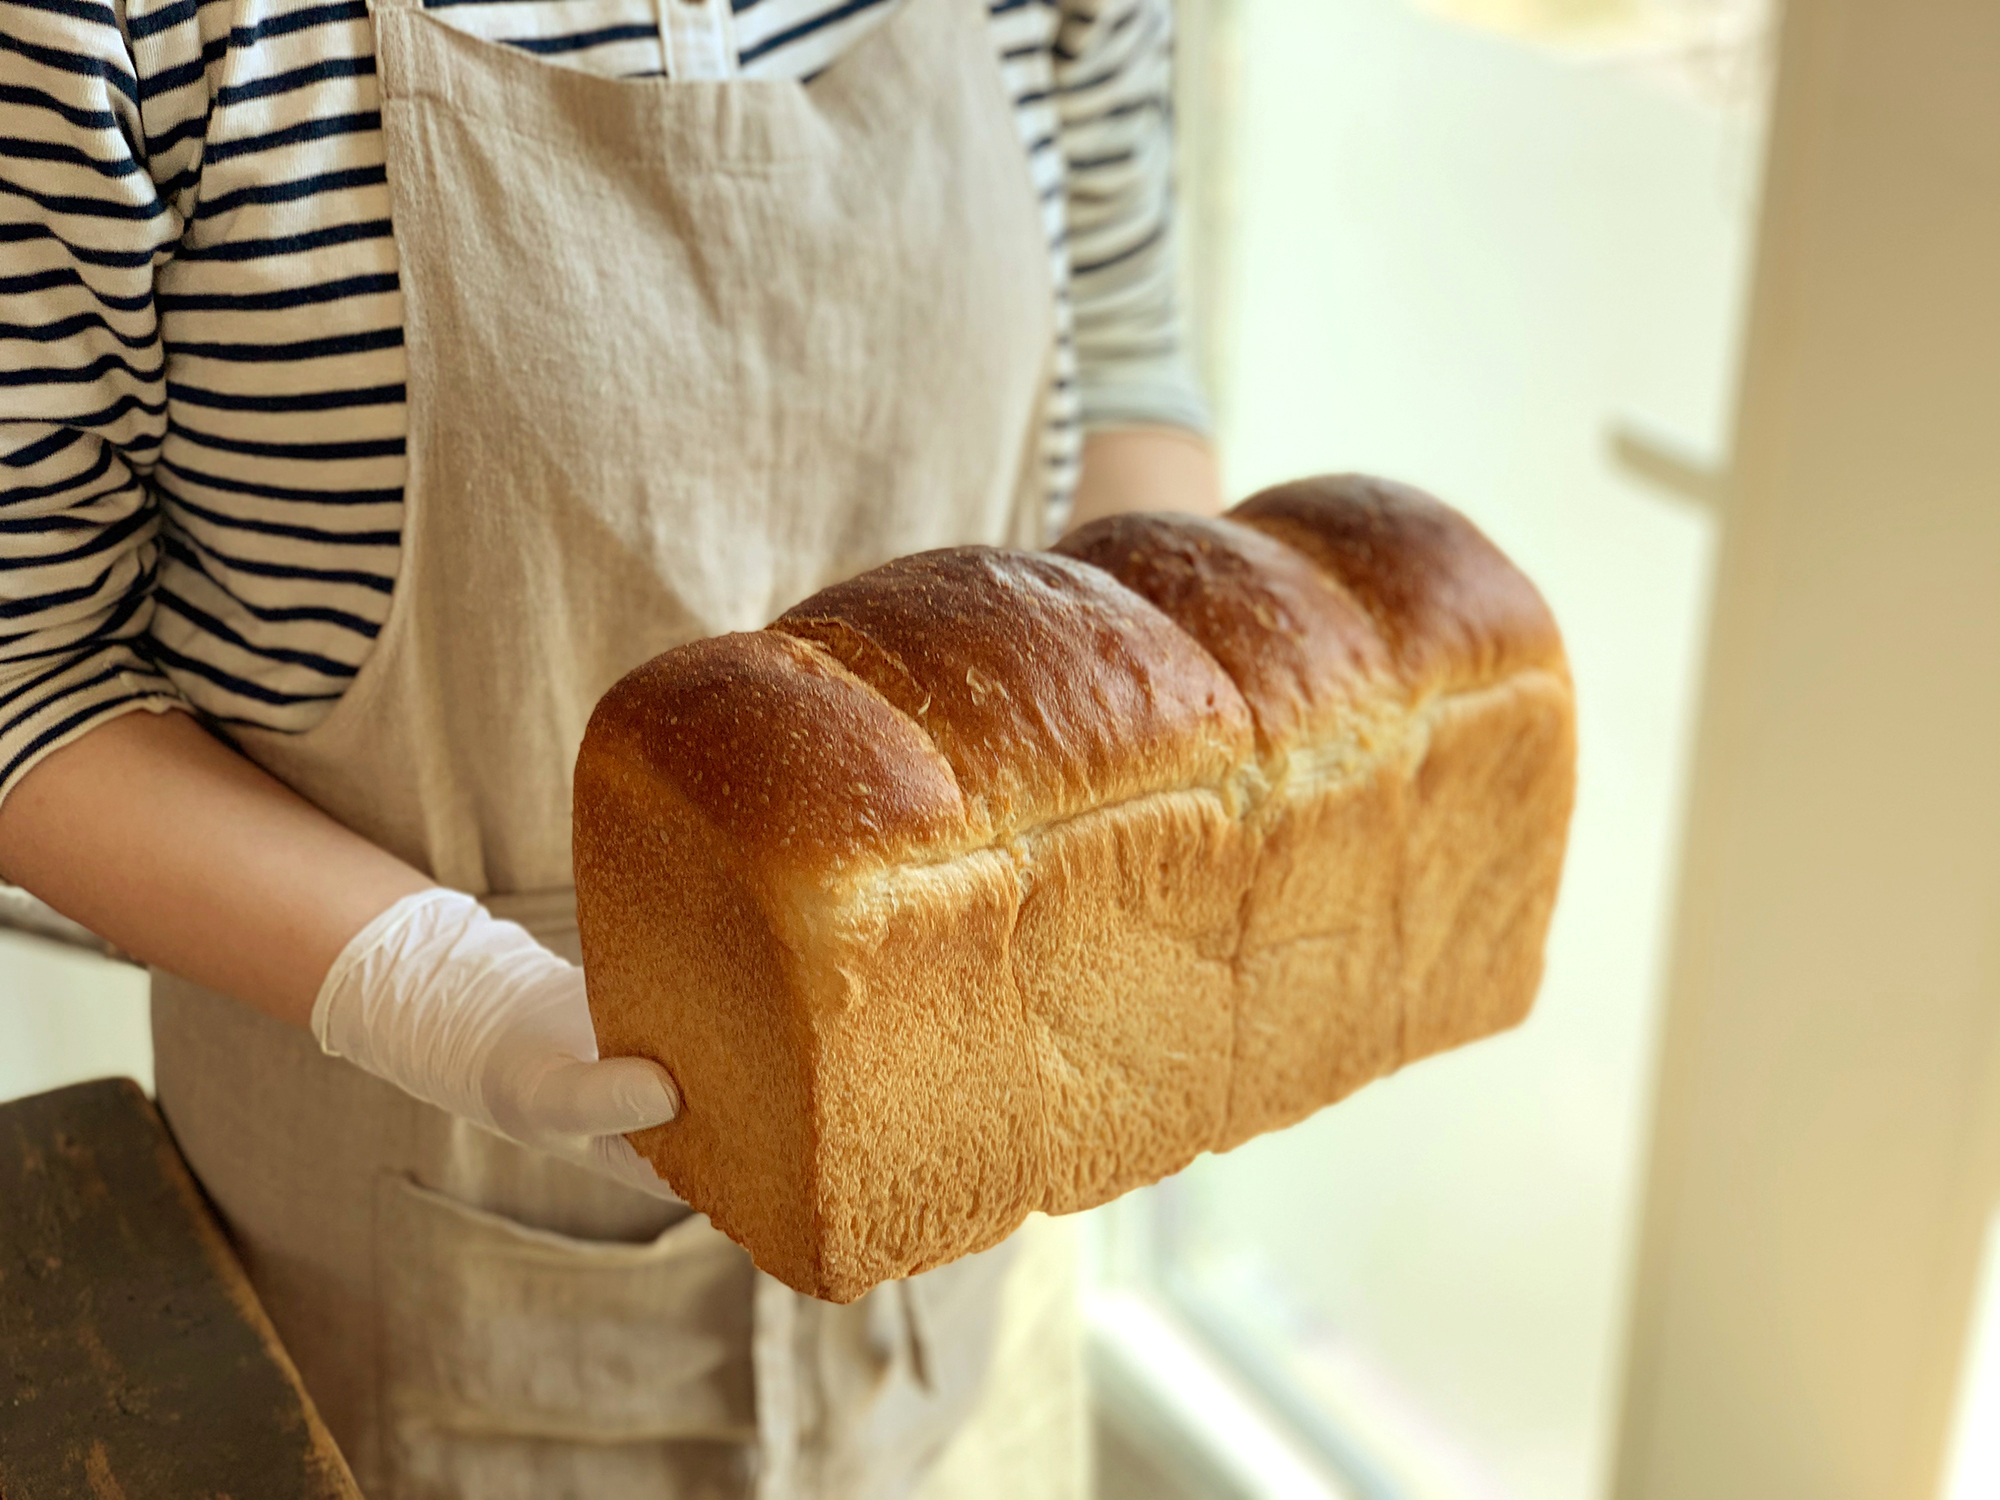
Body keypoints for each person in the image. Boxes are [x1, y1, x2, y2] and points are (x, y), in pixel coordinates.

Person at [0, 0, 1221, 1486]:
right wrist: (446, 996)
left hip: (968, 1277)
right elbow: (30, 677)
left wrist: (1151, 807)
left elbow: (1135, 363)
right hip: (406, 1316)